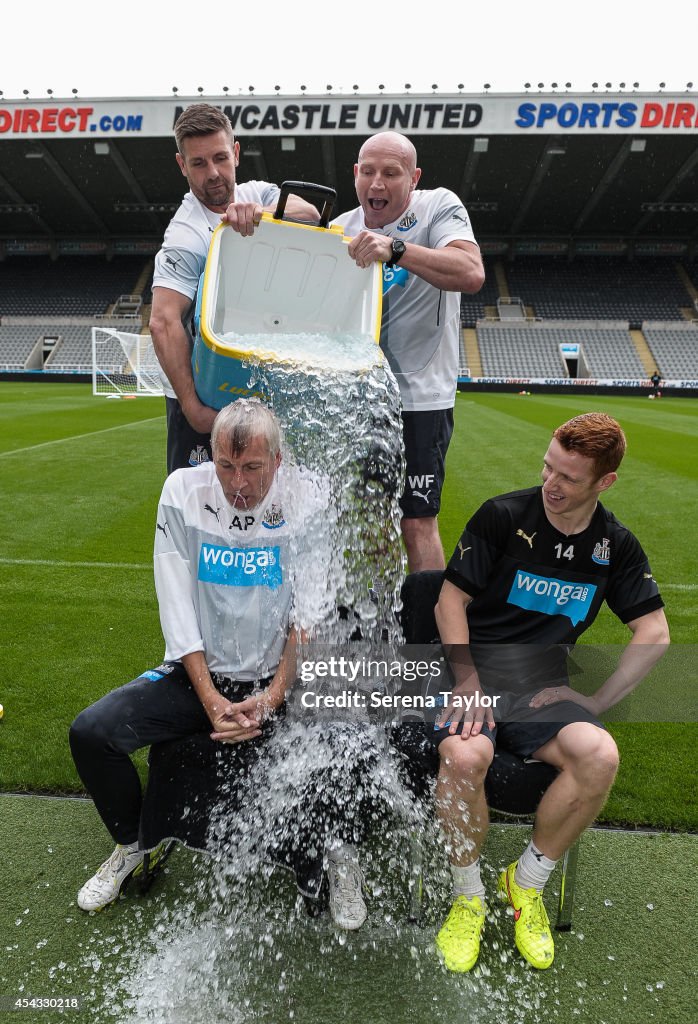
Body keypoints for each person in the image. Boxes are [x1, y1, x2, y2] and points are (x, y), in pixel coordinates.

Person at [69, 400, 332, 913]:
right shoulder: (182, 492)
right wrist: (211, 698)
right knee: (92, 733)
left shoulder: (309, 497)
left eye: (252, 467)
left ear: (277, 462)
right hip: (198, 678)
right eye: (226, 466)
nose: (238, 483)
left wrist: (274, 697)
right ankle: (131, 843)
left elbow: (310, 611)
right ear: (210, 456)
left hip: (282, 679)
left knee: (350, 742)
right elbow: (176, 604)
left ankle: (337, 856)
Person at [430, 413, 669, 972]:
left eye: (568, 478)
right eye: (547, 468)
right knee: (465, 755)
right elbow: (449, 601)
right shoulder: (503, 516)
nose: (551, 485)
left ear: (604, 482)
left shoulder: (615, 547)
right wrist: (467, 682)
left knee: (600, 754)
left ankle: (527, 884)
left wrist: (597, 702)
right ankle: (468, 897)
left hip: (541, 689)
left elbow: (654, 632)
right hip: (474, 677)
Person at [332, 131, 485, 573]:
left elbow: (471, 272)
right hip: (357, 398)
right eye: (368, 172)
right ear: (355, 174)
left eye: (391, 173)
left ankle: (423, 633)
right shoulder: (340, 229)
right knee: (370, 516)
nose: (377, 183)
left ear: (413, 178)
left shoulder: (438, 207)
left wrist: (395, 249)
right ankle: (382, 616)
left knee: (417, 521)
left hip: (420, 397)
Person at [149, 104, 319, 474]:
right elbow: (163, 321)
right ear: (182, 165)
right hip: (207, 395)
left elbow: (312, 213)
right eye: (198, 163)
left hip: (257, 382)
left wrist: (263, 215)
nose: (212, 173)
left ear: (236, 153)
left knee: (267, 507)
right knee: (204, 511)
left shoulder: (257, 193)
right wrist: (194, 410)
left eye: (220, 158)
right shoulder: (186, 234)